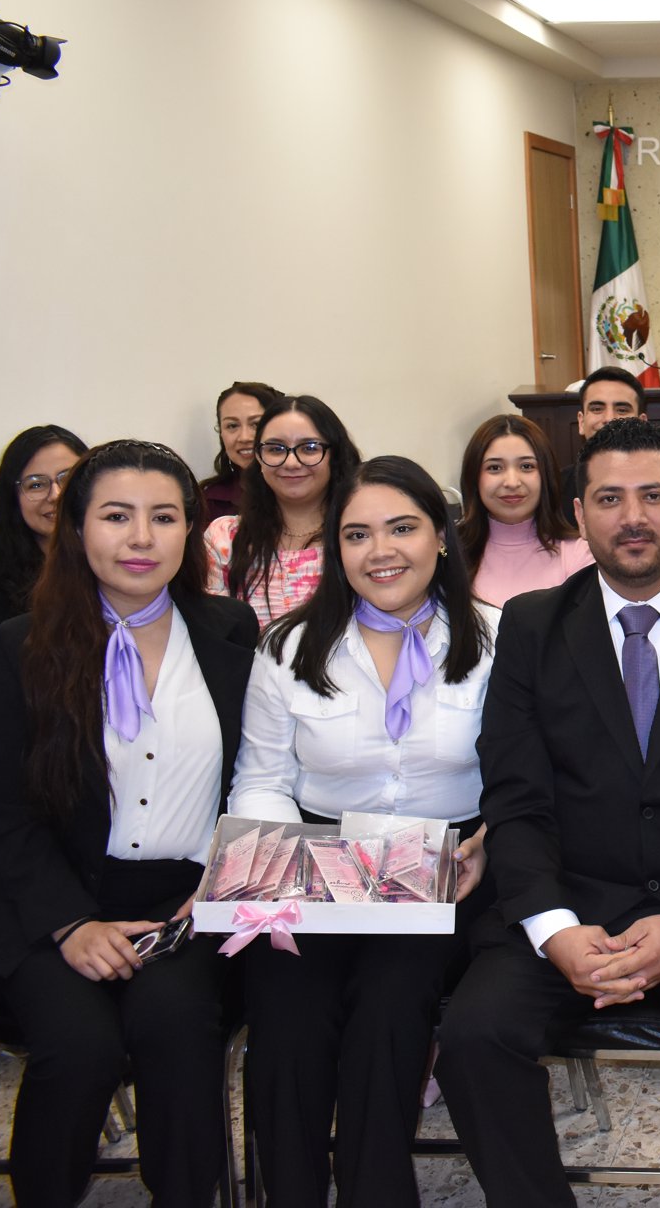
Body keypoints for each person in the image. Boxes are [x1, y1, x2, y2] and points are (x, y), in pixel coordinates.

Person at [436, 419, 660, 1208]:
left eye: (653, 495)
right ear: (578, 512)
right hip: (569, 902)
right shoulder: (532, 626)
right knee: (474, 1037)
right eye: (609, 498)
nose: (632, 517)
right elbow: (516, 796)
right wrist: (553, 927)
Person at [0, 439, 259, 1207]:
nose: (141, 538)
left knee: (175, 1024)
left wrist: (221, 886)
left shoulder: (232, 635)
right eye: (117, 516)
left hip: (187, 903)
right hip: (52, 901)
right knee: (79, 1044)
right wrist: (69, 923)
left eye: (164, 517)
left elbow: (259, 784)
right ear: (76, 528)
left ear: (189, 531)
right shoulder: (22, 644)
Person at [229, 455, 497, 1208]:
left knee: (390, 998)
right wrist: (278, 875)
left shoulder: (498, 640)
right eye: (357, 534)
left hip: (448, 867)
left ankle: (376, 1191)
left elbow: (531, 775)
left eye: (402, 528)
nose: (381, 551)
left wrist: (494, 834)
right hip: (318, 864)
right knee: (285, 1004)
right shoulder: (287, 648)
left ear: (441, 537)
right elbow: (261, 777)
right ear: (334, 551)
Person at [205, 394, 363, 627]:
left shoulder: (361, 534)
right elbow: (215, 634)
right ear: (258, 457)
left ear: (335, 455)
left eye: (309, 448)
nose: (291, 463)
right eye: (276, 449)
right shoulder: (225, 537)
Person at [0, 423, 87, 664]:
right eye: (36, 484)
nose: (55, 494)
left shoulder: (122, 565)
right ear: (14, 499)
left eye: (67, 478)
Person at [457, 414, 593, 607]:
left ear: (545, 476)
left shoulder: (580, 554)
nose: (512, 482)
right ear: (474, 477)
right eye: (495, 468)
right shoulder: (449, 553)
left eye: (527, 466)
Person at [556, 365, 645, 523]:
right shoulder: (555, 488)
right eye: (597, 409)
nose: (609, 418)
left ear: (642, 422)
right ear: (581, 421)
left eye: (622, 410)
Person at [199, 380, 282, 521]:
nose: (244, 437)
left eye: (256, 424)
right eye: (232, 426)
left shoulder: (303, 489)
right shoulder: (210, 501)